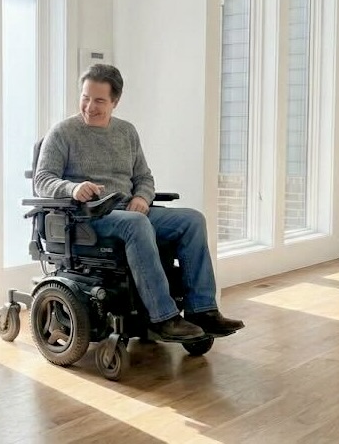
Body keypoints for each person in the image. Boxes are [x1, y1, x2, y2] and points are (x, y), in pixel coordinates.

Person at [34, 63, 244, 341]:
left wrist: (143, 197)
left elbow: (144, 177)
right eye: (85, 97)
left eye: (99, 100)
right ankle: (163, 317)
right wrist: (72, 188)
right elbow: (43, 179)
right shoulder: (62, 133)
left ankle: (201, 310)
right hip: (88, 217)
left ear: (115, 102)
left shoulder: (126, 132)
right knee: (137, 224)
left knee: (192, 219)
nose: (90, 106)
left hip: (129, 212)